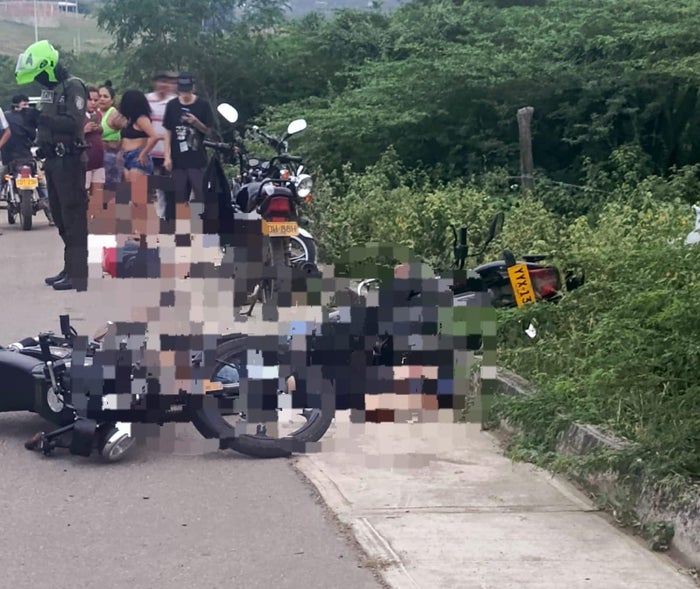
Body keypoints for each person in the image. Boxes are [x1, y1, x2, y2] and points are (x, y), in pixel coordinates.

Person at [15, 39, 89, 291]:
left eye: (39, 76)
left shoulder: (73, 86)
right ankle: (69, 268)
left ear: (48, 68)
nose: (39, 82)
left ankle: (78, 273)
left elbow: (74, 122)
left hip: (70, 159)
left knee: (73, 215)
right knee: (59, 215)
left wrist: (41, 118)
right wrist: (31, 122)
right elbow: (46, 123)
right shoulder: (52, 89)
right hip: (53, 160)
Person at [162, 72, 214, 211]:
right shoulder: (172, 105)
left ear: (193, 88)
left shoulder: (203, 105)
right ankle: (182, 222)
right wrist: (167, 156)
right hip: (178, 159)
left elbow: (208, 131)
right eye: (182, 90)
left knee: (200, 194)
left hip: (197, 159)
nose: (185, 93)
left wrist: (196, 122)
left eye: (188, 90)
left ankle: (199, 221)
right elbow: (167, 132)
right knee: (179, 197)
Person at [1, 94, 53, 224]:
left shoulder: (5, 118)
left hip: (10, 159)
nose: (27, 108)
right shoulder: (29, 118)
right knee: (42, 185)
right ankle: (51, 215)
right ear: (16, 105)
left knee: (1, 182)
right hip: (26, 158)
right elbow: (35, 136)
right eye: (24, 105)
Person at [146, 71, 177, 220]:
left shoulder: (175, 102)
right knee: (147, 189)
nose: (165, 85)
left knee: (166, 190)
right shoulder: (147, 100)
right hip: (148, 152)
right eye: (162, 81)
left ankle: (164, 219)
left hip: (167, 153)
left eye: (169, 82)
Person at [118, 90, 158, 182]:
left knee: (136, 188)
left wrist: (143, 154)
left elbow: (154, 137)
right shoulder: (129, 120)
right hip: (125, 156)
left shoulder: (141, 119)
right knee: (125, 188)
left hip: (137, 155)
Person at [98, 81, 126, 191]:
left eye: (105, 96)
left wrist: (121, 150)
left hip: (111, 158)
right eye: (100, 96)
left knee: (110, 191)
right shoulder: (94, 112)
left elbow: (127, 131)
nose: (102, 99)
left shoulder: (114, 114)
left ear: (112, 100)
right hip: (96, 157)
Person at [84, 86, 105, 198]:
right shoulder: (78, 116)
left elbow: (100, 133)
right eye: (90, 99)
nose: (93, 103)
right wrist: (84, 131)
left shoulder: (98, 115)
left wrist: (100, 128)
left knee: (98, 193)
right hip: (85, 162)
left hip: (99, 161)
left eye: (96, 100)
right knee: (84, 192)